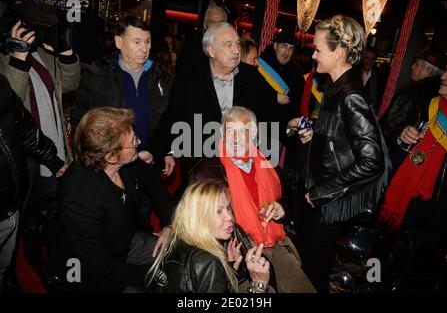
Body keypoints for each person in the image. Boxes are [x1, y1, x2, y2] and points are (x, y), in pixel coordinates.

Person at [298, 15, 388, 293]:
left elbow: (372, 160)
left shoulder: (351, 96)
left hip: (329, 203)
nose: (313, 55)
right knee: (308, 265)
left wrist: (321, 191)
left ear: (339, 52)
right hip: (320, 196)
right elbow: (342, 138)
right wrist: (316, 134)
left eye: (318, 50)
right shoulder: (337, 88)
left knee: (313, 273)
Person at [190, 106, 316, 293]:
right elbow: (193, 219)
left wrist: (282, 208)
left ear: (254, 132)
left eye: (242, 132)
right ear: (221, 132)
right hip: (239, 254)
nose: (234, 138)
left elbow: (289, 194)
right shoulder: (206, 172)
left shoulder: (267, 161)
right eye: (229, 131)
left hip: (275, 243)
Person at [48, 107, 173, 292]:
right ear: (111, 156)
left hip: (124, 241)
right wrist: (151, 276)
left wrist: (169, 225)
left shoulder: (125, 163)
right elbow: (99, 269)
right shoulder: (79, 199)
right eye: (133, 142)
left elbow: (155, 182)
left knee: (177, 253)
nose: (139, 142)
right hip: (90, 273)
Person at [153, 22, 276, 199]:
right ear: (211, 51)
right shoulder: (189, 80)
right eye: (228, 45)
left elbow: (268, 116)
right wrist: (158, 150)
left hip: (242, 166)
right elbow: (172, 118)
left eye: (237, 44)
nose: (236, 50)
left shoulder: (251, 77)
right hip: (201, 166)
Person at [72, 16, 175, 176]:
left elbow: (167, 119)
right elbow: (80, 120)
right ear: (119, 42)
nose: (144, 48)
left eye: (147, 41)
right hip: (108, 165)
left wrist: (166, 151)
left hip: (147, 159)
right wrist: (95, 159)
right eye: (137, 42)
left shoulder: (160, 76)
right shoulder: (98, 74)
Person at [0, 0, 80, 204]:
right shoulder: (3, 59)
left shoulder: (43, 54)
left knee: (51, 214)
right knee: (28, 214)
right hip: (25, 154)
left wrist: (66, 52)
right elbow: (11, 102)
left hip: (54, 145)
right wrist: (19, 56)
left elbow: (69, 85)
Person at [379, 60, 447, 284]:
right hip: (398, 194)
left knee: (410, 272)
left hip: (432, 212)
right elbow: (389, 134)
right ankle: (373, 282)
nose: (444, 76)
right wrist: (401, 135)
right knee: (379, 256)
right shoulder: (425, 103)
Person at [0, 74, 66, 292]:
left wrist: (54, 160)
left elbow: (25, 127)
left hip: (10, 202)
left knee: (5, 263)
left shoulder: (0, 84)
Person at [147, 179, 271, 293]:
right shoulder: (208, 261)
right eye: (219, 211)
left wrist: (229, 271)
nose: (230, 217)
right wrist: (258, 284)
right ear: (199, 216)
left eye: (228, 208)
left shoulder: (174, 242)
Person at [381, 49, 447, 157]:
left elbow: (389, 125)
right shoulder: (442, 97)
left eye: (417, 65)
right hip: (422, 156)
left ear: (429, 71)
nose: (412, 67)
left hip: (395, 153)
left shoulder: (411, 91)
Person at [358, 47, 382, 112]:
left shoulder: (378, 76)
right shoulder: (355, 72)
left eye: (372, 59)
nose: (369, 61)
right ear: (362, 58)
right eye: (367, 58)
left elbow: (377, 98)